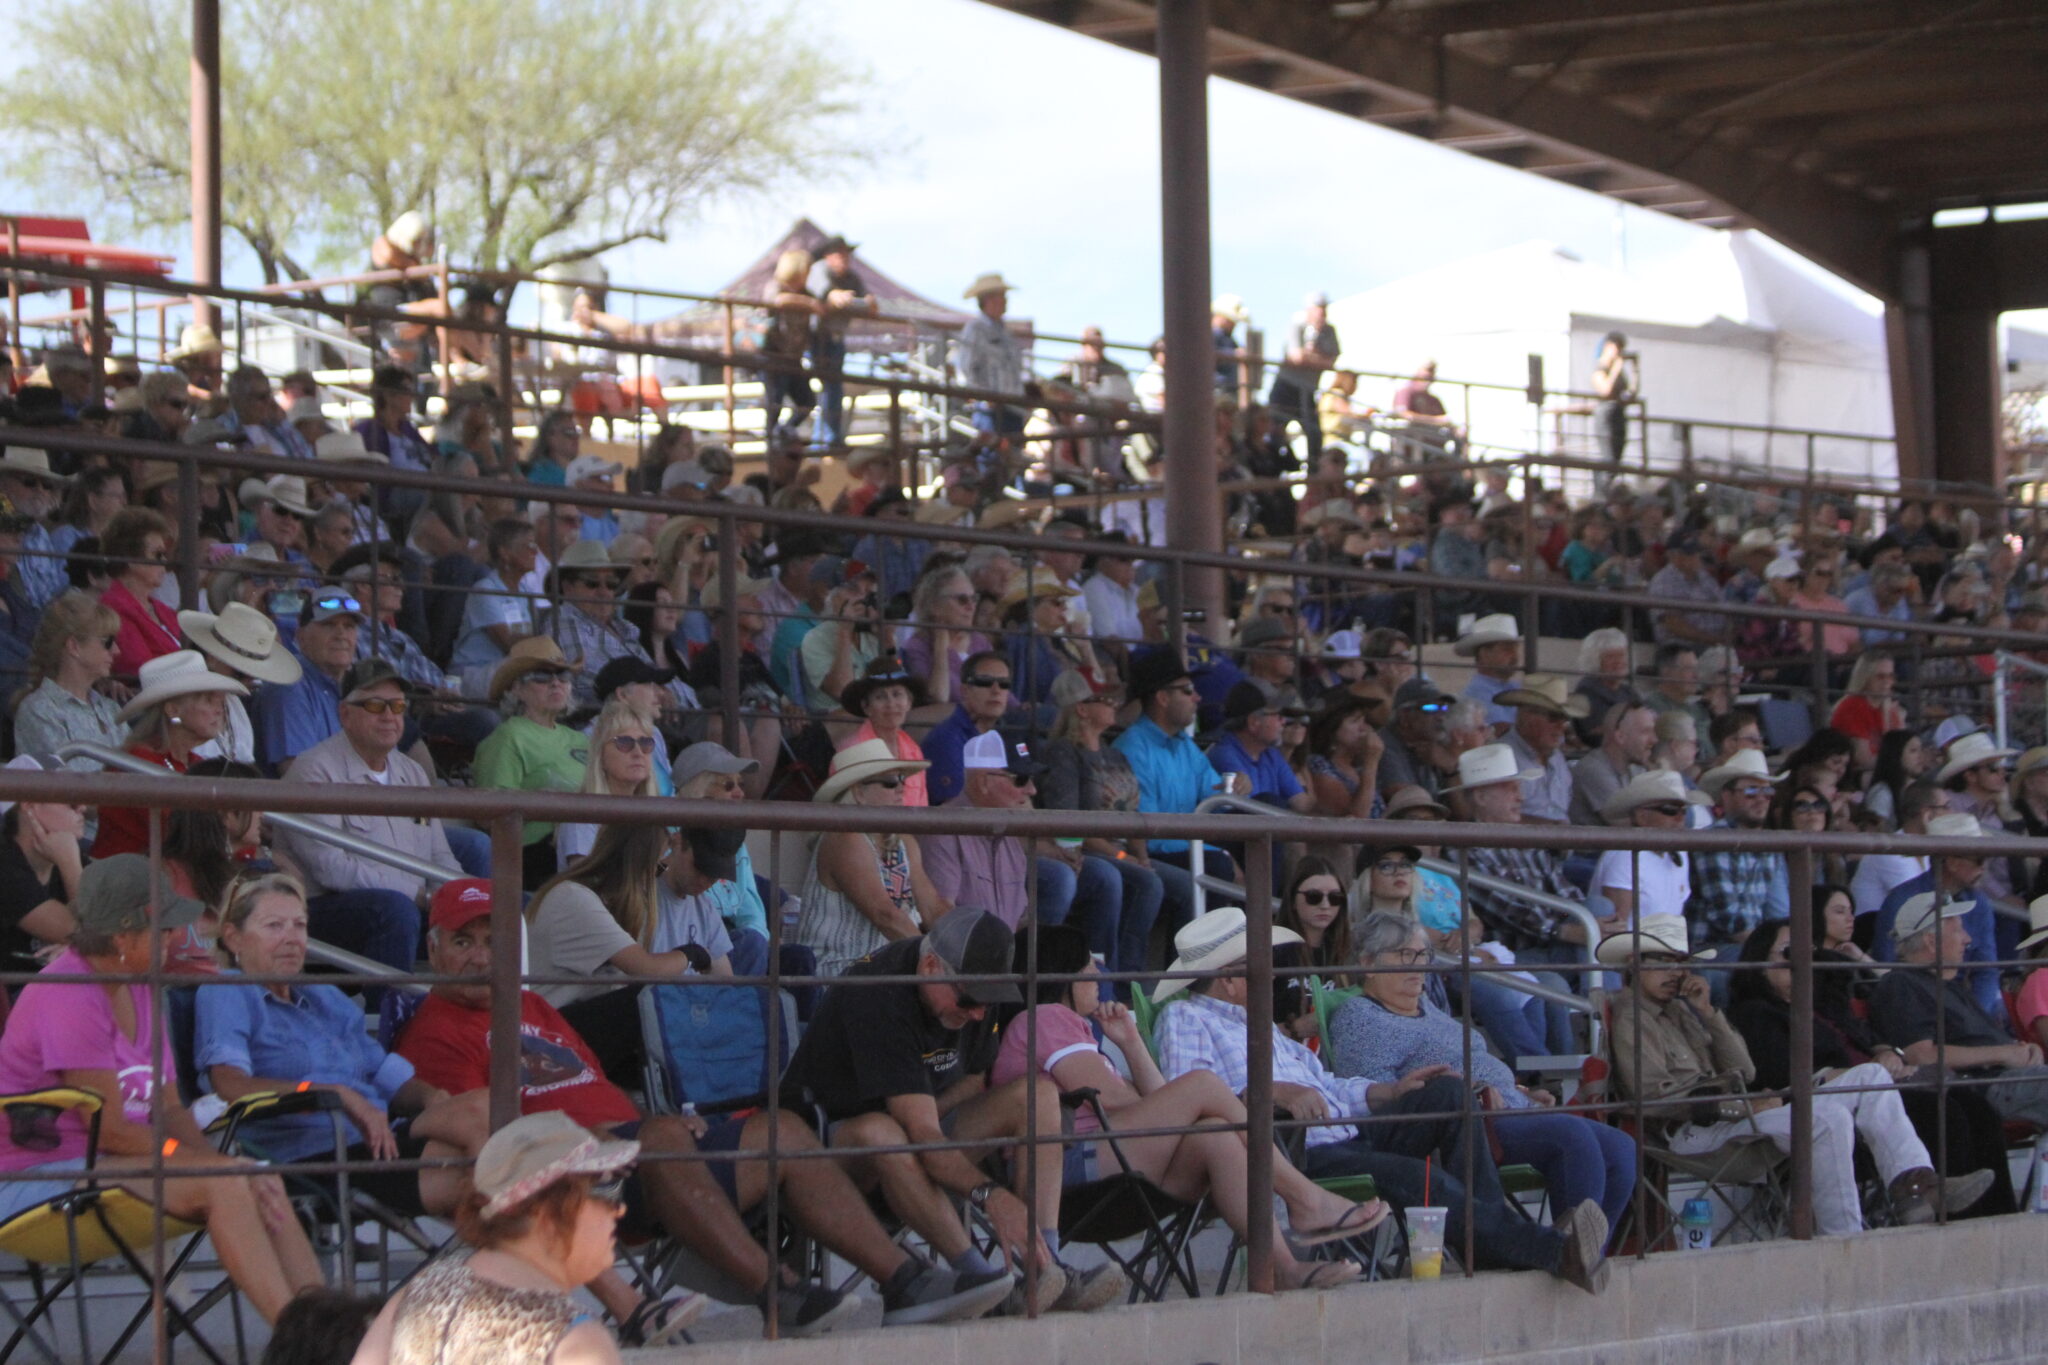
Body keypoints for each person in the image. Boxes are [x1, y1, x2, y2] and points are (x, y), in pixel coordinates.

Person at [401, 882, 1008, 1336]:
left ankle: (904, 1282)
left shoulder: (534, 1009)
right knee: (664, 1134)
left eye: (492, 941)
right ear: (433, 950)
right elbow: (486, 1129)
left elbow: (596, 1083)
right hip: (584, 1169)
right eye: (463, 942)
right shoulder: (435, 1032)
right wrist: (614, 1131)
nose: (482, 957)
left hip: (643, 1147)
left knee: (782, 1129)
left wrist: (654, 1124)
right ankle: (781, 1293)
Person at [1152, 908, 1610, 1292]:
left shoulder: (1264, 1027)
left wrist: (1391, 1091)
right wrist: (1269, 1091)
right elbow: (1192, 1104)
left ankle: (1495, 1246)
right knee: (1417, 1177)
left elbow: (1331, 1088)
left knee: (1448, 1094)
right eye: (1262, 964)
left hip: (1347, 1132)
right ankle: (1547, 1249)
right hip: (1293, 1152)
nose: (1273, 974)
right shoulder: (1186, 1018)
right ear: (1230, 977)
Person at [0, 855, 323, 1324]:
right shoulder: (67, 993)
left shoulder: (140, 985)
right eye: (164, 927)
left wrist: (225, 1164)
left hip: (111, 1167)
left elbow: (170, 1109)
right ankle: (299, 1342)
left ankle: (327, 1335)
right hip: (37, 1180)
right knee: (230, 1180)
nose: (177, 936)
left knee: (259, 1176)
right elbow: (109, 1132)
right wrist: (213, 1166)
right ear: (122, 936)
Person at [780, 908, 1124, 1314]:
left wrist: (930, 1132)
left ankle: (1044, 1267)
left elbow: (972, 1082)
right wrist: (989, 1194)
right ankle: (980, 1282)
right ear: (929, 966)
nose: (979, 1012)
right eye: (970, 999)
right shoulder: (878, 991)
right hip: (828, 1152)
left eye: (989, 1001)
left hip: (916, 1128)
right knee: (883, 1132)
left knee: (1039, 1096)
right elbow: (919, 1132)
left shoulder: (978, 987)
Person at [994, 925, 1372, 1290]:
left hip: (1108, 1163)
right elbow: (1121, 1101)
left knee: (1217, 1138)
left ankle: (1283, 1267)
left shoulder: (1071, 1028)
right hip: (1069, 1167)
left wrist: (1130, 1043)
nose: (1097, 972)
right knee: (1203, 1086)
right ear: (1062, 975)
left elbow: (1160, 1100)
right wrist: (1174, 1102)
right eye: (1085, 964)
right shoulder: (1045, 1018)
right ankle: (1303, 1197)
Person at [193, 872, 489, 1218]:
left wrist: (431, 1098)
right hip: (308, 1155)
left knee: (488, 1111)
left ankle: (493, 1258)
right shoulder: (228, 991)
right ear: (233, 938)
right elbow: (230, 1085)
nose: (292, 939)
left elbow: (383, 1074)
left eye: (299, 926)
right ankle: (499, 1259)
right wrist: (336, 1093)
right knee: (488, 1169)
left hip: (376, 1142)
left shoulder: (325, 996)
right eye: (274, 926)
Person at [1331, 913, 1635, 1241]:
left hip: (1509, 1109)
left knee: (1620, 1147)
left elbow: (1474, 1060)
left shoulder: (1428, 1008)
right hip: (1464, 1127)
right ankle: (1564, 1251)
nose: (1418, 965)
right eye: (1405, 955)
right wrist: (1474, 1091)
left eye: (1423, 955)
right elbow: (1381, 1105)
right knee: (1571, 1134)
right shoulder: (1360, 1018)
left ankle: (1593, 1254)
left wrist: (1518, 1091)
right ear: (1367, 962)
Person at [1603, 915, 1901, 1237]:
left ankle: (1910, 1181)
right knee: (1826, 1120)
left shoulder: (1681, 1010)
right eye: (1664, 963)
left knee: (1869, 1076)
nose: (1676, 973)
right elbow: (1653, 1099)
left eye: (1681, 963)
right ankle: (1843, 1237)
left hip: (1733, 1114)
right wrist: (1740, 1106)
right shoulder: (1631, 1018)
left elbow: (1745, 1070)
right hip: (1694, 1130)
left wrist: (1707, 1013)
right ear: (1634, 964)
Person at [1726, 916, 1999, 1223]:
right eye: (1789, 953)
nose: (1801, 962)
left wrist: (1885, 1054)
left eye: (1808, 954)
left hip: (1867, 1091)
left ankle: (1985, 1214)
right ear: (1760, 963)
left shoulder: (1820, 1006)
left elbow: (1867, 1037)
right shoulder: (1754, 1012)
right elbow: (1780, 1074)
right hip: (1811, 1101)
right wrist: (1869, 1072)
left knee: (1971, 1105)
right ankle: (1925, 1196)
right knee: (1935, 1110)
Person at [346, 1112, 640, 1365]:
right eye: (602, 1193)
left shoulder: (416, 1295)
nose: (618, 1209)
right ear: (548, 1210)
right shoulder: (571, 1339)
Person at [270, 658, 467, 975]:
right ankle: (390, 1020)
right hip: (328, 910)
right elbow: (332, 870)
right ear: (345, 714)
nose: (389, 716)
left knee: (497, 907)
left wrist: (461, 895)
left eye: (398, 706)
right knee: (396, 911)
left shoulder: (412, 771)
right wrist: (420, 897)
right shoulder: (315, 769)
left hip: (409, 909)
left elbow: (438, 853)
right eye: (375, 706)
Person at [528, 822, 732, 1082]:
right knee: (647, 999)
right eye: (658, 867)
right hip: (542, 1033)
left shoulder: (604, 898)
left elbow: (725, 986)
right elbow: (648, 970)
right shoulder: (575, 897)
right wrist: (695, 953)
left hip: (571, 1025)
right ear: (637, 863)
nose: (659, 878)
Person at [1871, 892, 2048, 1128]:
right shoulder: (1902, 983)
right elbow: (1920, 1055)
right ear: (1931, 941)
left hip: (2007, 1080)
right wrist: (2003, 1053)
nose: (1967, 939)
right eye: (1958, 931)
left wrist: (2024, 1050)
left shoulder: (1950, 987)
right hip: (1980, 1087)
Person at [923, 730, 1107, 956]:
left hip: (1002, 966)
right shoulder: (942, 831)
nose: (1032, 790)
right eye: (1020, 779)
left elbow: (1022, 923)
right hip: (965, 969)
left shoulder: (1010, 833)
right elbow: (942, 920)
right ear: (983, 782)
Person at [1113, 651, 1241, 933]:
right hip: (1147, 852)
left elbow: (1214, 799)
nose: (1197, 698)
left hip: (1185, 845)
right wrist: (1217, 851)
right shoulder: (1132, 748)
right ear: (1162, 697)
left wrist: (1235, 792)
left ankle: (1251, 951)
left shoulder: (1184, 743)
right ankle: (1197, 970)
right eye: (1188, 690)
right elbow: (1150, 832)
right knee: (1218, 863)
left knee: (1252, 842)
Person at [796, 740, 947, 976]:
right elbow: (885, 916)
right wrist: (937, 965)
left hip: (884, 968)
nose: (901, 788)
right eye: (890, 782)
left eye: (902, 780)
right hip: (837, 971)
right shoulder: (844, 837)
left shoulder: (903, 840)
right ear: (858, 792)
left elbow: (932, 907)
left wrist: (964, 945)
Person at [92, 650, 247, 858]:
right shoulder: (137, 763)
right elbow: (184, 834)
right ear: (173, 710)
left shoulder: (195, 763)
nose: (219, 709)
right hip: (130, 883)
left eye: (219, 701)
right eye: (208, 700)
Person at [472, 638, 588, 888]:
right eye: (542, 676)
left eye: (563, 675)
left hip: (590, 844)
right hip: (536, 855)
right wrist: (537, 802)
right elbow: (487, 817)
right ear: (516, 689)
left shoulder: (581, 739)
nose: (556, 682)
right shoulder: (508, 736)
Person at [1871, 812, 2005, 1020]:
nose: (1984, 867)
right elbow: (1888, 969)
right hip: (1914, 1004)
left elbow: (1986, 971)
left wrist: (1974, 1017)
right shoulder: (1901, 900)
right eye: (1979, 859)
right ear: (1951, 862)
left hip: (1963, 1004)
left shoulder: (1980, 903)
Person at [12, 590, 124, 829]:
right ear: (74, 646)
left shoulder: (110, 708)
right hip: (74, 840)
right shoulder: (39, 710)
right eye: (107, 642)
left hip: (117, 837)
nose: (116, 651)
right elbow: (70, 792)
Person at [1689, 748, 1790, 963]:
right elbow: (1728, 919)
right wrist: (1771, 952)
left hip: (1751, 947)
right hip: (1709, 950)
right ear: (1727, 796)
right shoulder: (1714, 841)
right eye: (1752, 791)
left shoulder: (1771, 846)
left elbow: (1779, 913)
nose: (1762, 799)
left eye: (1768, 792)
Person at [250, 590, 367, 775]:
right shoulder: (288, 685)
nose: (341, 634)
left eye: (349, 626)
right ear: (300, 636)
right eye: (328, 625)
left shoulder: (358, 687)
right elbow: (301, 777)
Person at [1593, 770, 1707, 933]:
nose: (1680, 818)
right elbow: (1614, 933)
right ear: (1642, 816)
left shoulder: (1680, 852)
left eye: (1683, 810)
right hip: (1631, 955)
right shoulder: (1624, 856)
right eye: (1670, 810)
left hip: (1667, 952)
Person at [554, 698, 661, 869]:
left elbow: (659, 872)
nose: (638, 752)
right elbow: (587, 879)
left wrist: (663, 869)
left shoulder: (656, 815)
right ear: (600, 755)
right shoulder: (581, 814)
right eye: (624, 743)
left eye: (646, 743)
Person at [921, 648, 1015, 805]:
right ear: (964, 690)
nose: (996, 690)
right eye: (984, 682)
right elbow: (957, 808)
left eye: (1004, 684)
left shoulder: (1007, 735)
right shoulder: (945, 740)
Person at [99, 506, 182, 676]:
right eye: (158, 555)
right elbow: (139, 667)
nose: (164, 562)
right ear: (131, 559)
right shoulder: (114, 608)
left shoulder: (162, 609)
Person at [1209, 681, 1314, 813]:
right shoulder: (1224, 755)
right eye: (1277, 715)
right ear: (1254, 722)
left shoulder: (1271, 754)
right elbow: (1249, 813)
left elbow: (1302, 804)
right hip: (1242, 832)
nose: (1284, 721)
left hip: (1265, 832)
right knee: (1269, 800)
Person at [839, 656, 930, 803]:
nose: (891, 704)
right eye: (880, 697)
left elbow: (922, 805)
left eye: (897, 694)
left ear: (909, 702)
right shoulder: (852, 751)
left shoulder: (914, 750)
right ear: (866, 707)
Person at [1496, 674, 1583, 825]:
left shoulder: (1557, 758)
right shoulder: (1499, 758)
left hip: (1561, 845)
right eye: (1554, 717)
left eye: (1565, 718)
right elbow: (1493, 818)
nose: (1561, 726)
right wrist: (1551, 829)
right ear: (1526, 715)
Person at [954, 273, 1029, 444]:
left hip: (1012, 405)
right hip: (991, 407)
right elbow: (965, 366)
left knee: (1012, 456)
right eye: (1001, 296)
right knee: (992, 456)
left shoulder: (1006, 333)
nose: (1005, 300)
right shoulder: (976, 329)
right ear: (987, 300)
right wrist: (982, 396)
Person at [1266, 292, 1340, 459]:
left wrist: (1309, 356)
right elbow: (1296, 356)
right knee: (1275, 430)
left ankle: (1314, 474)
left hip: (1307, 391)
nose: (1322, 312)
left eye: (1324, 308)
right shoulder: (1297, 324)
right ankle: (1273, 469)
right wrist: (1320, 357)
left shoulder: (1329, 331)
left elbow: (1331, 362)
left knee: (1314, 435)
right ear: (1309, 309)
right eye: (1318, 308)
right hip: (1286, 387)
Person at [1569, 699, 1655, 827]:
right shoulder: (1593, 769)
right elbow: (1626, 826)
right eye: (1645, 732)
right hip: (1598, 847)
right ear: (1620, 737)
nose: (1654, 739)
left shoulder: (1636, 769)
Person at [1830, 655, 1906, 772]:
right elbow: (1864, 760)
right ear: (1865, 678)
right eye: (1880, 676)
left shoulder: (1891, 709)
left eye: (1891, 676)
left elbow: (1902, 750)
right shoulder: (1853, 706)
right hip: (1852, 774)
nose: (1887, 681)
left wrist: (1895, 721)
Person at [1453, 612, 1524, 727]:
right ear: (1484, 654)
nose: (1515, 656)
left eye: (1516, 649)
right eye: (1506, 649)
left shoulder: (1516, 687)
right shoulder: (1478, 693)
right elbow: (1502, 730)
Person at [1589, 331, 1635, 465]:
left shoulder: (1619, 372)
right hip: (1606, 415)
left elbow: (1631, 392)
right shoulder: (1600, 370)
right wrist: (1616, 368)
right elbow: (1606, 390)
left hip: (1619, 414)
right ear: (1608, 346)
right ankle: (1605, 482)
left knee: (1617, 457)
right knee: (1609, 456)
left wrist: (1635, 371)